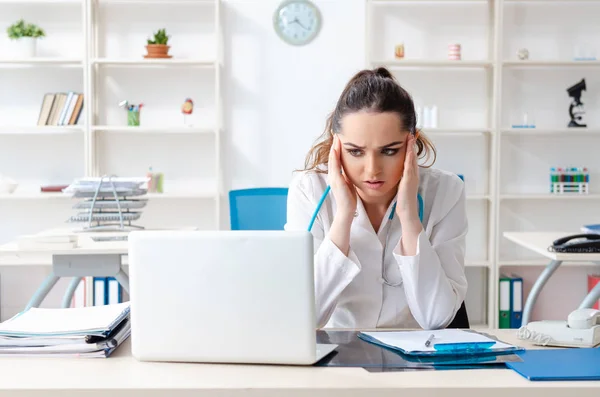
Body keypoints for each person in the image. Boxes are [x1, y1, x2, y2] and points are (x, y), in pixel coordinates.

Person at [284, 67, 468, 330]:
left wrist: (409, 219)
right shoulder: (309, 190)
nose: (372, 170)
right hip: (337, 354)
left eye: (389, 151)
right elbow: (302, 319)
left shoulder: (446, 191)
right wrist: (344, 217)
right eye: (355, 151)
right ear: (336, 145)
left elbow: (437, 318)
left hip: (414, 359)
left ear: (410, 143)